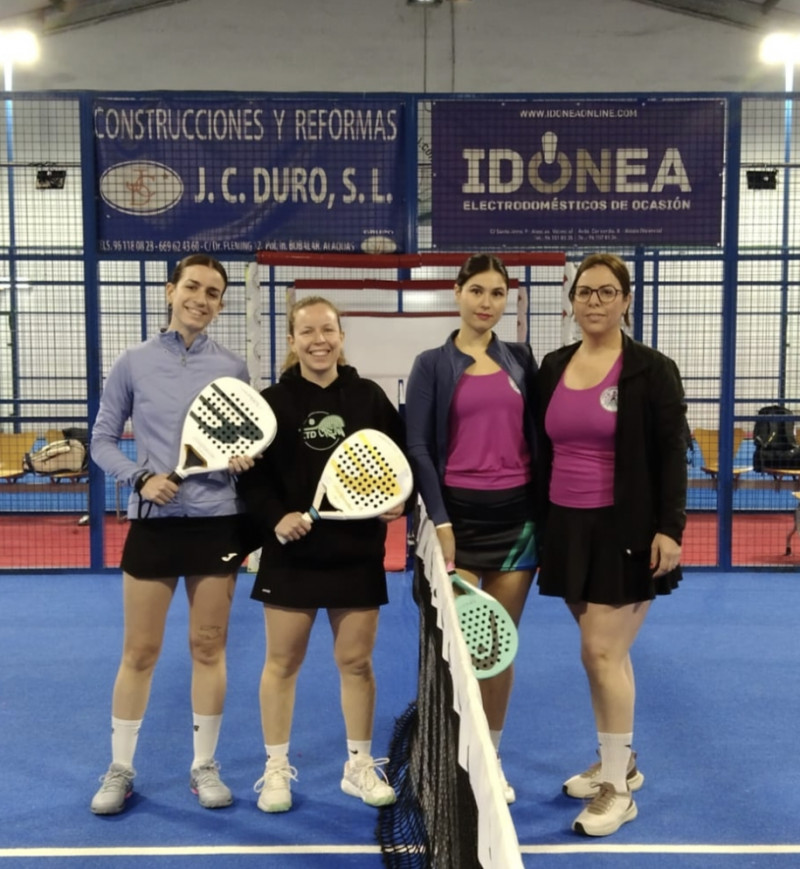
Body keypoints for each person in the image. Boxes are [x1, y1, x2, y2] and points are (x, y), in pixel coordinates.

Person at [89, 254, 255, 815]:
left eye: (212, 293)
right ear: (170, 291)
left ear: (220, 304)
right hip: (155, 524)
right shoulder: (132, 362)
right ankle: (120, 768)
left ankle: (204, 765)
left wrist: (242, 459)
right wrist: (140, 478)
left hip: (217, 522)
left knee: (208, 646)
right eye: (192, 287)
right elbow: (102, 440)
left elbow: (241, 442)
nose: (200, 300)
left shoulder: (232, 368)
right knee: (140, 651)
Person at [236, 295, 408, 814]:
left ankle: (359, 766)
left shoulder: (369, 397)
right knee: (282, 663)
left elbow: (398, 463)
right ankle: (275, 768)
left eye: (328, 330)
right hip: (291, 554)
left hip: (355, 552)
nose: (319, 340)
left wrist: (397, 501)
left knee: (356, 662)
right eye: (308, 331)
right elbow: (253, 479)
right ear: (292, 340)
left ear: (341, 336)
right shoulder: (271, 402)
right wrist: (276, 517)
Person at [536, 252, 687, 837]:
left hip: (628, 532)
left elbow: (672, 453)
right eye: (585, 292)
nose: (594, 301)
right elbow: (541, 447)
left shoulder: (652, 370)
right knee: (606, 656)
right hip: (566, 529)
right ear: (572, 301)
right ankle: (618, 758)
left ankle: (618, 791)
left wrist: (670, 528)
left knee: (600, 653)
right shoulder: (553, 366)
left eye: (606, 292)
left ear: (626, 300)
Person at [405, 253, 538, 804]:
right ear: (457, 293)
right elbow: (418, 447)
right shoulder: (431, 364)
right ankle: (449, 756)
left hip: (516, 524)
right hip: (456, 522)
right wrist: (440, 521)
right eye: (477, 291)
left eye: (497, 294)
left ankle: (490, 760)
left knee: (496, 649)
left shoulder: (522, 359)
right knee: (455, 654)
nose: (487, 303)